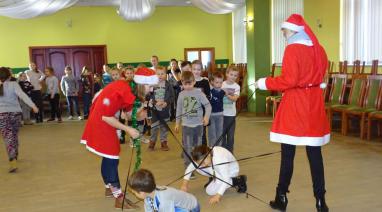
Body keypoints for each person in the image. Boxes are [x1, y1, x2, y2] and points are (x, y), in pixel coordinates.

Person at [255, 14, 330, 212]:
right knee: (315, 155)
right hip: (313, 104)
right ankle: (321, 201)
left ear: (293, 30)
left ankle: (281, 197)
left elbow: (289, 80)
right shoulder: (318, 49)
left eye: (284, 30)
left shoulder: (292, 49)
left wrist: (265, 82)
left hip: (296, 105)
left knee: (287, 155)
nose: (283, 33)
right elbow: (323, 72)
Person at [81, 67, 158, 210]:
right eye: (150, 86)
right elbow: (106, 116)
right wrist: (128, 129)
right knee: (111, 158)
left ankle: (109, 188)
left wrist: (145, 109)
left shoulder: (131, 88)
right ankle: (118, 197)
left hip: (107, 119)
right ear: (142, 84)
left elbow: (127, 115)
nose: (151, 90)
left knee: (108, 157)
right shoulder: (124, 89)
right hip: (101, 121)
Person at [0, 67, 38, 172]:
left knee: (8, 137)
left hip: (2, 115)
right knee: (14, 134)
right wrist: (33, 106)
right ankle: (14, 153)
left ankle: (12, 158)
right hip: (15, 114)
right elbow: (23, 96)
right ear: (9, 76)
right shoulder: (14, 84)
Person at [180, 145, 247, 205]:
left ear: (208, 155)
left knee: (210, 191)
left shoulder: (220, 158)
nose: (202, 165)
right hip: (217, 170)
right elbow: (190, 168)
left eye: (203, 162)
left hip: (231, 171)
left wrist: (218, 196)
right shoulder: (204, 154)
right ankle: (215, 179)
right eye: (200, 163)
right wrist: (184, 185)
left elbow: (226, 179)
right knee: (197, 167)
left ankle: (239, 180)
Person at [175, 71, 211, 170]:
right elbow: (178, 109)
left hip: (198, 126)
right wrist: (177, 123)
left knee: (197, 147)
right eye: (185, 84)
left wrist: (206, 117)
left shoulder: (199, 93)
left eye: (190, 83)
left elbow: (208, 106)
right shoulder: (181, 94)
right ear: (182, 83)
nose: (188, 86)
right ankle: (188, 167)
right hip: (186, 126)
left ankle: (198, 164)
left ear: (194, 82)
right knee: (187, 148)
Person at [129, 169, 200, 212]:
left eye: (134, 192)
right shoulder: (148, 192)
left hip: (191, 207)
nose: (133, 193)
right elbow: (149, 210)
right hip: (173, 205)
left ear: (142, 193)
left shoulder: (164, 200)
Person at [148, 66, 174, 151]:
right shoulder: (152, 85)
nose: (160, 75)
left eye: (162, 74)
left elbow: (172, 96)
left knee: (164, 127)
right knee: (154, 127)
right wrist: (155, 102)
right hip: (155, 110)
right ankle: (152, 142)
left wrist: (166, 103)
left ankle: (164, 142)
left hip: (165, 110)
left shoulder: (168, 85)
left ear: (165, 74)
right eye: (158, 74)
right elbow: (149, 96)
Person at [191, 60, 211, 146]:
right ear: (191, 70)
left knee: (202, 132)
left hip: (202, 112)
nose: (196, 71)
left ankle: (203, 151)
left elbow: (208, 96)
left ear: (201, 70)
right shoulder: (189, 81)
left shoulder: (205, 81)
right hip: (191, 112)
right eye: (194, 69)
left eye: (198, 69)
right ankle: (192, 150)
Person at [221, 65, 240, 153]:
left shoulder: (237, 87)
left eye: (235, 75)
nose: (233, 77)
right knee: (222, 135)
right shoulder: (222, 84)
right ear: (227, 74)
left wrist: (227, 94)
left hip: (231, 115)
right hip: (221, 114)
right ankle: (224, 152)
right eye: (231, 74)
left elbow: (235, 98)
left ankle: (230, 153)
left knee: (231, 136)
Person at [208, 72, 225, 146]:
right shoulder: (210, 92)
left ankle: (219, 149)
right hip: (211, 115)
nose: (219, 84)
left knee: (219, 133)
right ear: (212, 82)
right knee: (212, 134)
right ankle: (212, 149)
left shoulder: (222, 92)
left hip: (220, 115)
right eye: (217, 82)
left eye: (221, 82)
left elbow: (229, 93)